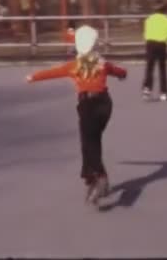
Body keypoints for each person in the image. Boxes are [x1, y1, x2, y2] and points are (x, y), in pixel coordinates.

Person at [26, 25, 127, 205]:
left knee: (89, 142)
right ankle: (91, 177)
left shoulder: (75, 66)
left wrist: (33, 77)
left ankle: (98, 177)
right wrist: (122, 74)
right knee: (91, 141)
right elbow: (118, 71)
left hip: (87, 105)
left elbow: (53, 72)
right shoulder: (102, 64)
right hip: (105, 104)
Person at [142, 0, 167, 101]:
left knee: (150, 67)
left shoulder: (149, 19)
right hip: (161, 45)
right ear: (165, 10)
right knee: (162, 69)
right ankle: (163, 92)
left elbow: (145, 34)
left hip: (150, 44)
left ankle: (147, 89)